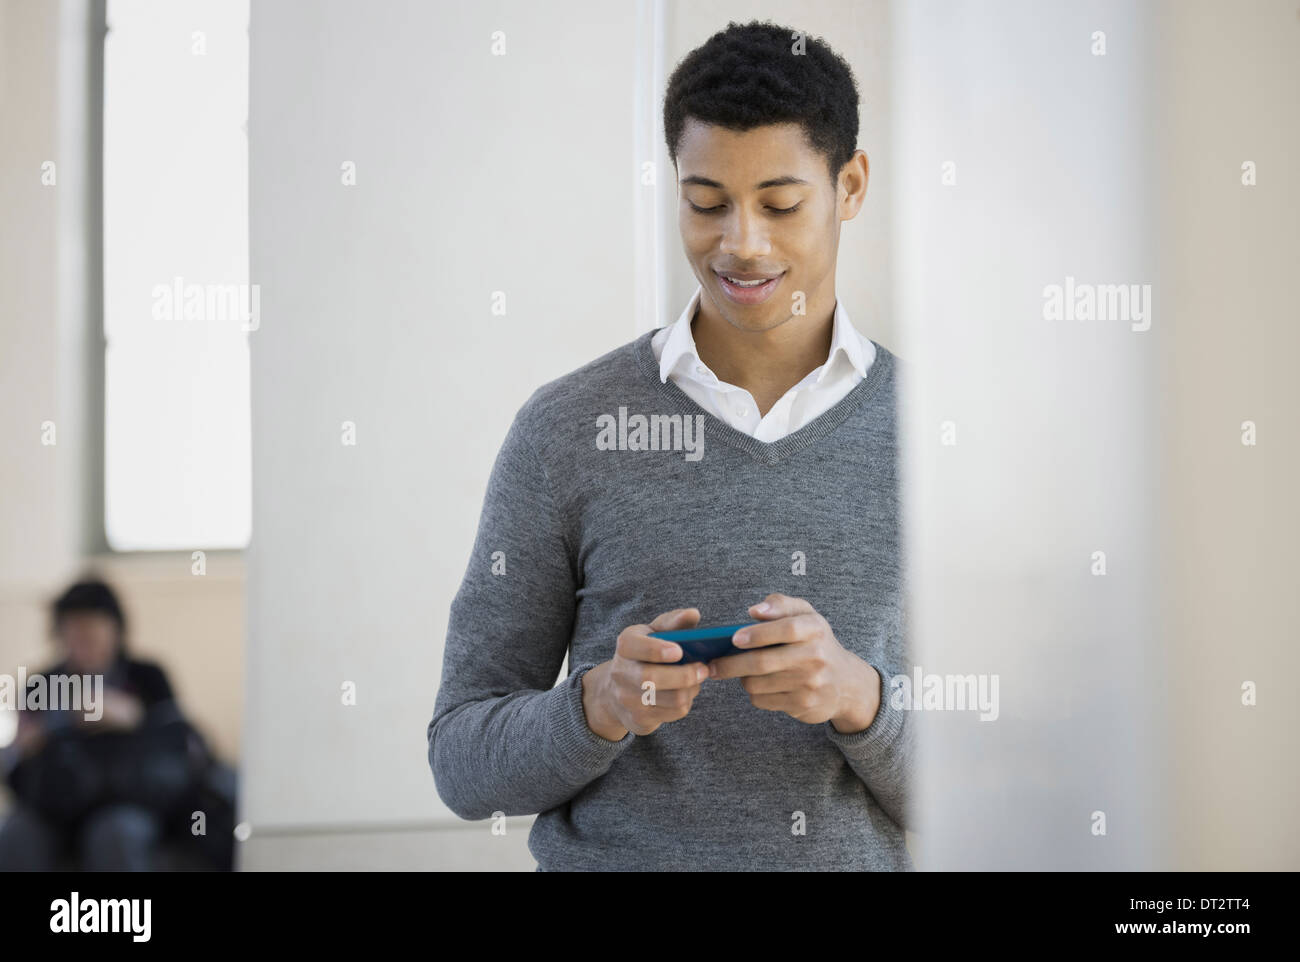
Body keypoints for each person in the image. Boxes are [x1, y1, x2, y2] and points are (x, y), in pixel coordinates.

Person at [427, 20, 913, 870]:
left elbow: (1014, 778)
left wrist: (859, 698)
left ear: (852, 185)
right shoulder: (566, 430)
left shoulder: (939, 440)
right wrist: (597, 708)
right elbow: (462, 760)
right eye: (706, 202)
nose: (741, 244)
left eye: (781, 203)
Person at [0, 578, 234, 870]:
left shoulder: (147, 677)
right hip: (56, 801)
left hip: (127, 798)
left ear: (116, 631)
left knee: (117, 834)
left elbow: (189, 746)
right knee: (15, 833)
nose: (82, 644)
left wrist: (136, 717)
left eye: (92, 633)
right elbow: (11, 763)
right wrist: (30, 742)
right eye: (74, 634)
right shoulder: (42, 685)